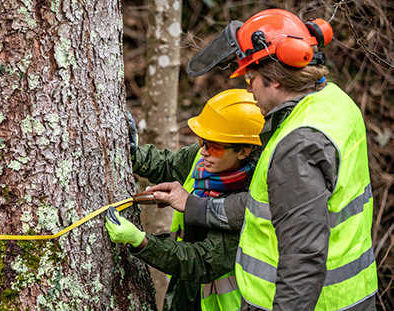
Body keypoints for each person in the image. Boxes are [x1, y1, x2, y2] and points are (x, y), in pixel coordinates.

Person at [149, 8, 378, 311]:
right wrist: (196, 207)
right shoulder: (333, 102)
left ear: (276, 80)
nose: (247, 86)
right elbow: (270, 204)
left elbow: (303, 258)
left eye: (251, 77)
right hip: (351, 295)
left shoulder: (299, 145)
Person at [105, 89, 264, 311]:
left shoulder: (253, 202)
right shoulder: (202, 159)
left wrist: (141, 242)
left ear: (244, 151)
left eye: (215, 147)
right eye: (202, 140)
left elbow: (201, 262)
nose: (205, 151)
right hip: (184, 293)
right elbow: (168, 165)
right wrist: (132, 155)